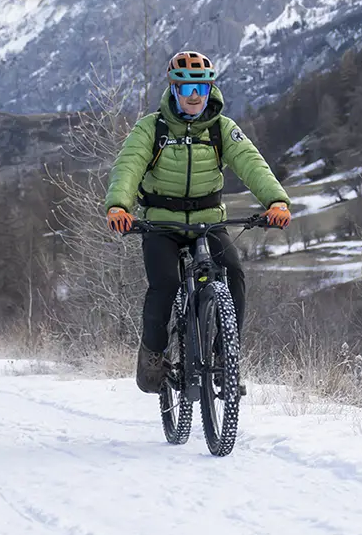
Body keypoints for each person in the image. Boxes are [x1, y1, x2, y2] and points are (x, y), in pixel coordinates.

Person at [105, 51, 291, 393]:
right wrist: (119, 205)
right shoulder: (152, 128)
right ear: (174, 90)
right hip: (160, 224)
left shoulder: (221, 129)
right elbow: (128, 166)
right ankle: (154, 356)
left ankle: (224, 357)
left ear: (210, 90)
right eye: (187, 88)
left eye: (202, 89)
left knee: (233, 273)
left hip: (208, 223)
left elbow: (251, 163)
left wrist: (276, 200)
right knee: (165, 285)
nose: (194, 96)